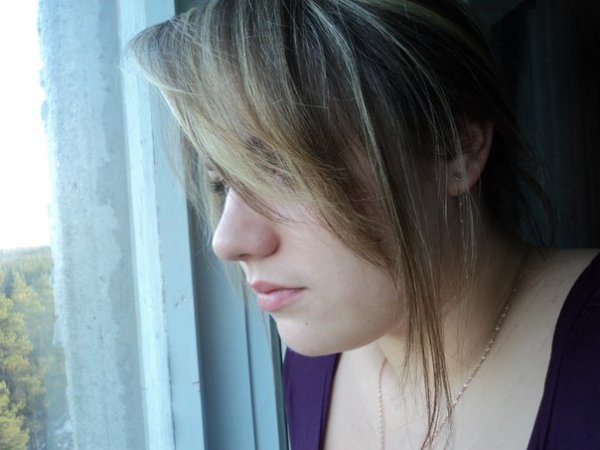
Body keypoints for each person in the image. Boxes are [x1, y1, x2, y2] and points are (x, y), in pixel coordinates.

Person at [128, 0, 600, 448]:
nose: (227, 241)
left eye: (282, 170)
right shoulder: (315, 363)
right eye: (221, 182)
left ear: (455, 150)